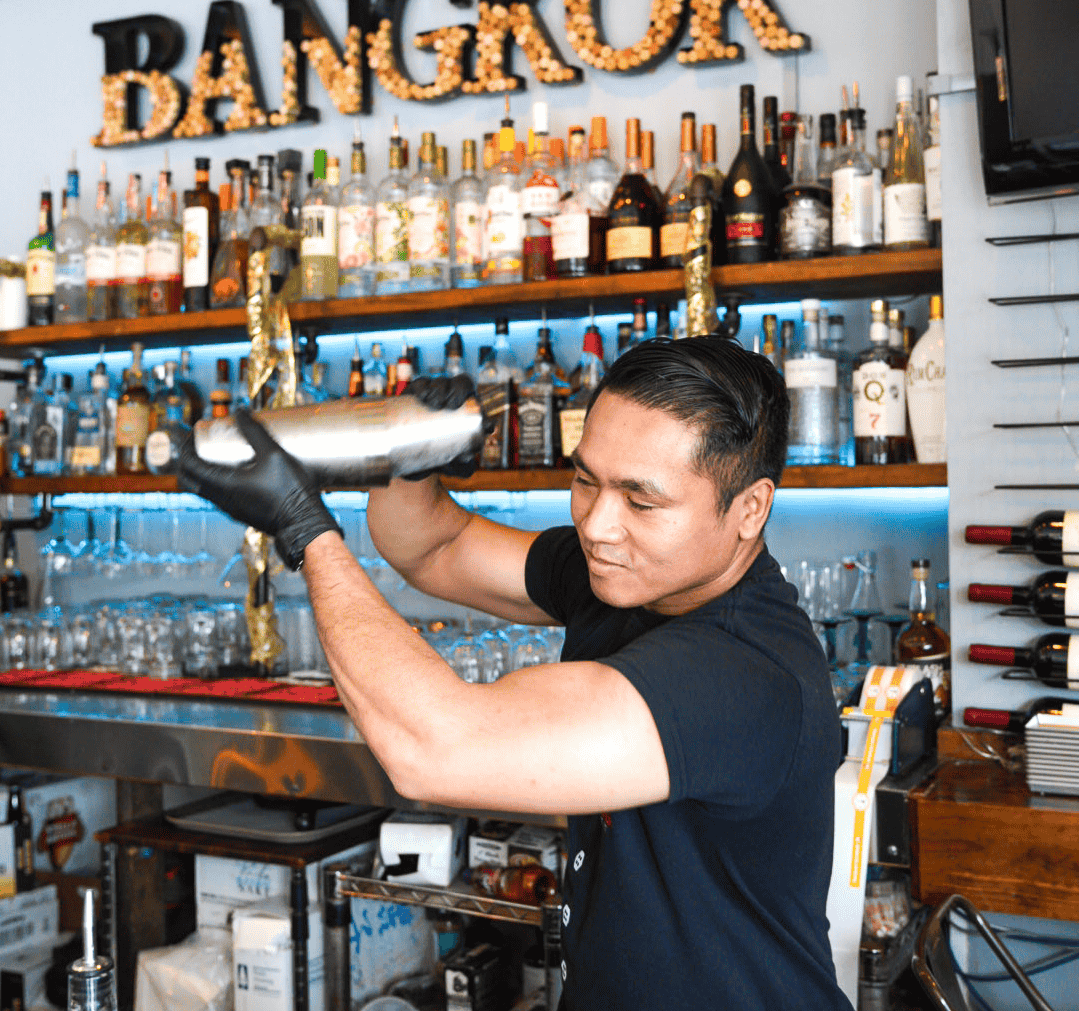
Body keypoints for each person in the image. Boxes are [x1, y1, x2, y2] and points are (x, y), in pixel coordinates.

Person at [177, 335, 852, 1011]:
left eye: (641, 502)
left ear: (750, 508)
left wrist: (306, 532)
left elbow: (438, 749)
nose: (597, 525)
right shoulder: (629, 576)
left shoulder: (744, 671)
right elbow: (436, 545)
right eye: (586, 480)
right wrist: (415, 461)